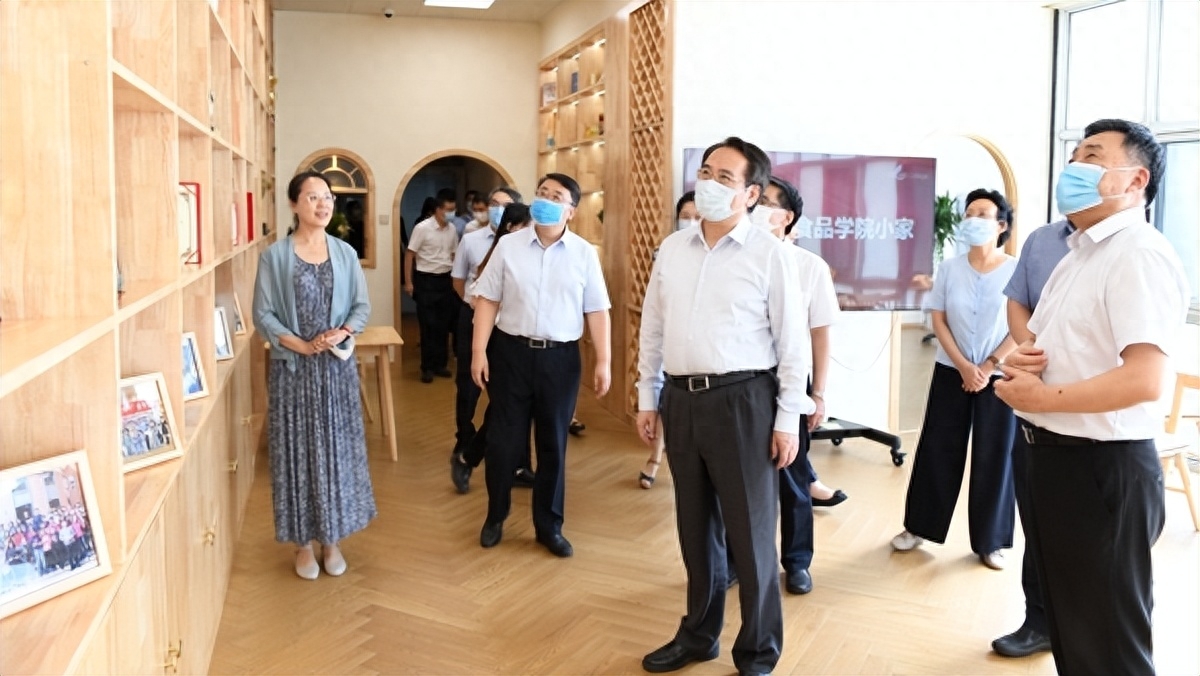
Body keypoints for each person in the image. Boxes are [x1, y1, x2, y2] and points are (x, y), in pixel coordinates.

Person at [994, 119, 1188, 675]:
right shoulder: (1079, 253)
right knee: (1074, 631)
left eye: (1093, 157)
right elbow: (1051, 347)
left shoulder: (1138, 254)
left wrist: (1042, 397)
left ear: (1136, 180)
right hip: (1054, 460)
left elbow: (1144, 379)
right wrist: (1024, 364)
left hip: (1102, 469)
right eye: (1074, 155)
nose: (1074, 167)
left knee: (1109, 645)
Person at [636, 137, 810, 676]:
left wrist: (787, 420)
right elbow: (652, 326)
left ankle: (758, 649)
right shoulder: (673, 248)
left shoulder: (769, 254)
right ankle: (698, 635)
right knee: (695, 528)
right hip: (680, 399)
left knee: (751, 533)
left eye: (725, 177)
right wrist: (646, 395)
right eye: (706, 172)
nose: (709, 183)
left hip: (744, 402)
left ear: (751, 194)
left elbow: (793, 344)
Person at [470, 173, 611, 558]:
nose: (546, 200)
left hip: (560, 360)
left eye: (556, 196)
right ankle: (495, 515)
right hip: (510, 354)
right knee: (503, 442)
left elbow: (597, 309)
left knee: (553, 444)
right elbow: (487, 299)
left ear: (572, 211)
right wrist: (479, 351)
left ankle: (549, 526)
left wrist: (604, 361)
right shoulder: (509, 246)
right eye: (542, 193)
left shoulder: (584, 253)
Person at [252, 170, 375, 580]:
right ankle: (303, 544)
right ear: (293, 204)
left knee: (335, 452)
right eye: (312, 197)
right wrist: (301, 346)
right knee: (297, 454)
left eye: (327, 197)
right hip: (293, 371)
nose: (322, 205)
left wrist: (341, 332)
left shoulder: (345, 252)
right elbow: (263, 314)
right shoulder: (275, 257)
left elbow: (361, 307)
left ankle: (332, 539)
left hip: (336, 370)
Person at [891, 188, 1018, 570]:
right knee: (938, 448)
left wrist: (990, 365)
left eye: (983, 213)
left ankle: (990, 542)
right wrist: (964, 365)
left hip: (1000, 374)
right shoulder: (949, 269)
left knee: (995, 454)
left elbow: (1023, 325)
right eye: (969, 213)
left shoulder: (1015, 269)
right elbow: (939, 318)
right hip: (952, 370)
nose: (973, 219)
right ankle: (919, 527)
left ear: (1001, 225)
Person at [725, 174, 839, 595]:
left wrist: (818, 393)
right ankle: (736, 561)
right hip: (741, 380)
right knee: (738, 478)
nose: (758, 209)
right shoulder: (735, 258)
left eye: (769, 203)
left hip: (789, 380)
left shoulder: (809, 266)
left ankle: (797, 561)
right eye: (756, 200)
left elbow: (820, 334)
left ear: (787, 217)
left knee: (792, 474)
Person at [987, 217, 1072, 658]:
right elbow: (1018, 302)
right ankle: (1038, 621)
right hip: (1035, 409)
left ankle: (1083, 633)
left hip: (1095, 424)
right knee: (1036, 524)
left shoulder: (1135, 251)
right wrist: (1032, 350)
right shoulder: (1043, 240)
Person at [450, 199, 536, 494]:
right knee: (504, 409)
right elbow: (477, 298)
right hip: (499, 340)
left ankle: (519, 466)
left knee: (521, 408)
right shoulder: (496, 256)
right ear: (512, 228)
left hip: (524, 344)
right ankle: (469, 456)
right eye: (527, 227)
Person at [638, 191, 699, 490]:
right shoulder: (669, 249)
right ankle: (655, 457)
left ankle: (664, 460)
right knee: (662, 397)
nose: (691, 222)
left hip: (700, 350)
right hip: (668, 337)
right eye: (685, 217)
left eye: (697, 216)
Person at [405, 188, 460, 383]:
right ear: (438, 209)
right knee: (428, 325)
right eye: (448, 209)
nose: (451, 213)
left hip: (445, 280)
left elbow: (454, 254)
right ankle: (427, 367)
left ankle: (440, 365)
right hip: (425, 280)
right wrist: (409, 282)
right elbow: (410, 254)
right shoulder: (422, 228)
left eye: (453, 209)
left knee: (443, 325)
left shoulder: (452, 229)